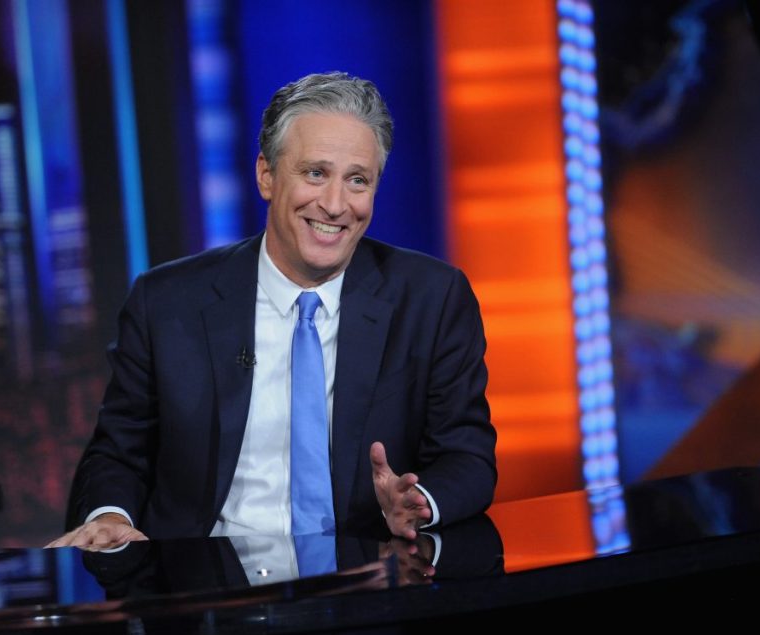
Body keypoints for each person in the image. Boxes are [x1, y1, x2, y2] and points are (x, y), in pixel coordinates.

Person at [47, 72, 496, 550]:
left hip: (370, 578)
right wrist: (112, 516)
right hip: (207, 590)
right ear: (267, 175)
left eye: (357, 181)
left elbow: (467, 457)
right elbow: (118, 453)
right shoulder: (166, 302)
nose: (335, 204)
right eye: (315, 173)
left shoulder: (431, 299)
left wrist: (419, 502)